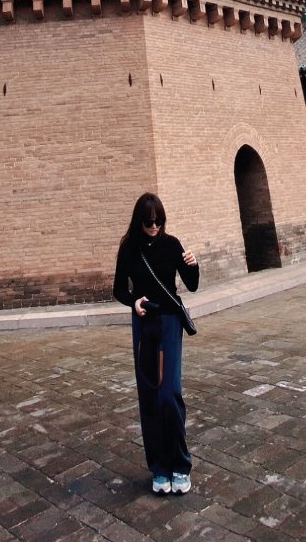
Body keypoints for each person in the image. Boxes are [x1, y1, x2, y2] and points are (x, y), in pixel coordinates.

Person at [112, 192, 200, 495]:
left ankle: (180, 464)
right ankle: (159, 467)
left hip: (170, 322)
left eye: (158, 221)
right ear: (139, 221)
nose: (154, 226)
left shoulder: (171, 244)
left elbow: (192, 284)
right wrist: (134, 301)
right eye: (149, 222)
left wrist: (192, 264)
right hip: (144, 323)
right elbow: (119, 290)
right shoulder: (129, 249)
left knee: (170, 394)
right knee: (149, 394)